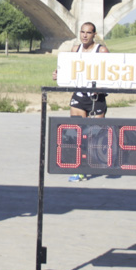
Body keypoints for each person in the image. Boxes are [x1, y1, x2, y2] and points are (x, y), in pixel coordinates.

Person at [52, 21, 109, 182]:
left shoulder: (101, 51)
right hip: (79, 97)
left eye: (88, 33)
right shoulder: (75, 50)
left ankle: (94, 161)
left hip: (96, 98)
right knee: (77, 134)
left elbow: (112, 74)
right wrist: (58, 74)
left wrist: (101, 86)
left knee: (96, 136)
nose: (84, 35)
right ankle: (79, 168)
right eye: (82, 32)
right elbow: (67, 70)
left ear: (94, 35)